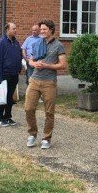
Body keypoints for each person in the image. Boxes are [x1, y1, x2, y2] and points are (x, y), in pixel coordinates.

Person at [24, 19, 66, 149]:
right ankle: (32, 134)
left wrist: (47, 65)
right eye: (41, 29)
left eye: (44, 29)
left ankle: (46, 138)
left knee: (49, 112)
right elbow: (30, 61)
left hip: (49, 82)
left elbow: (63, 65)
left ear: (51, 30)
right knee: (28, 108)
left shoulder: (59, 45)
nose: (42, 31)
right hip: (34, 79)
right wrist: (34, 63)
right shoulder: (37, 43)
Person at [0, 22, 22, 127]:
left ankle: (8, 117)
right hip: (4, 75)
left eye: (15, 28)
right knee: (2, 97)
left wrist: (19, 68)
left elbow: (19, 56)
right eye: (13, 28)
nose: (15, 30)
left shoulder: (16, 43)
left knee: (10, 97)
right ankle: (0, 118)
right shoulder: (1, 43)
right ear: (7, 30)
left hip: (14, 75)